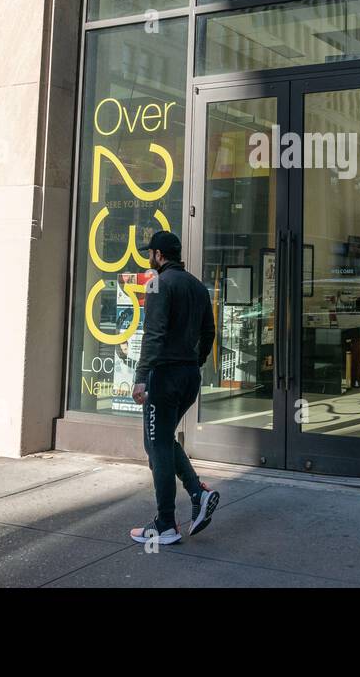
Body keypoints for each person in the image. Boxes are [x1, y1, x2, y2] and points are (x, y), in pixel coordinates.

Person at [129, 230, 219, 545]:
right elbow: (209, 332)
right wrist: (196, 361)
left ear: (159, 255)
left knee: (157, 446)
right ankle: (197, 493)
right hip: (188, 375)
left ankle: (165, 524)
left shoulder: (158, 283)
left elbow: (153, 333)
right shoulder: (197, 286)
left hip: (163, 377)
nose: (148, 258)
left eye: (150, 253)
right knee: (163, 440)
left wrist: (141, 376)